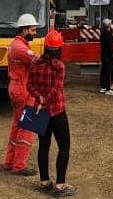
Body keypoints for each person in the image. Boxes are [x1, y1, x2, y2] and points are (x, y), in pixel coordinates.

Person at [28, 30, 76, 197]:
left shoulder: (36, 63)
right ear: (59, 49)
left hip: (40, 111)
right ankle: (60, 185)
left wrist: (39, 99)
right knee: (64, 147)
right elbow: (57, 89)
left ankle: (44, 181)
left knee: (43, 146)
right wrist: (46, 100)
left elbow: (29, 86)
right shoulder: (59, 67)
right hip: (57, 112)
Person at [3, 13, 39, 176]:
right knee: (28, 126)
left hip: (17, 88)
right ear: (24, 30)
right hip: (23, 90)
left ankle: (10, 162)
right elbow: (37, 61)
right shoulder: (20, 47)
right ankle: (19, 165)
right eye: (32, 30)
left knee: (17, 125)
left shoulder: (16, 44)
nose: (35, 33)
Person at [99, 18, 113, 96]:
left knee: (103, 71)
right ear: (109, 25)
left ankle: (103, 87)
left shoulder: (102, 33)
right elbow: (111, 47)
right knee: (108, 73)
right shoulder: (108, 35)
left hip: (103, 55)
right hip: (108, 57)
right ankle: (108, 89)